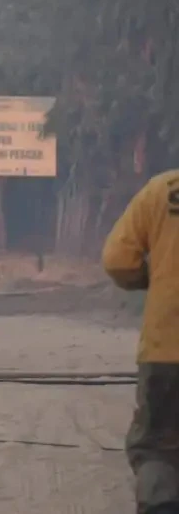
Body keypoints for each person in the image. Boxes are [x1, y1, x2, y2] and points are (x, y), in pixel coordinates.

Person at [102, 169, 179, 514]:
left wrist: (155, 279)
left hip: (167, 347)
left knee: (158, 448)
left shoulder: (162, 189)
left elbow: (118, 261)